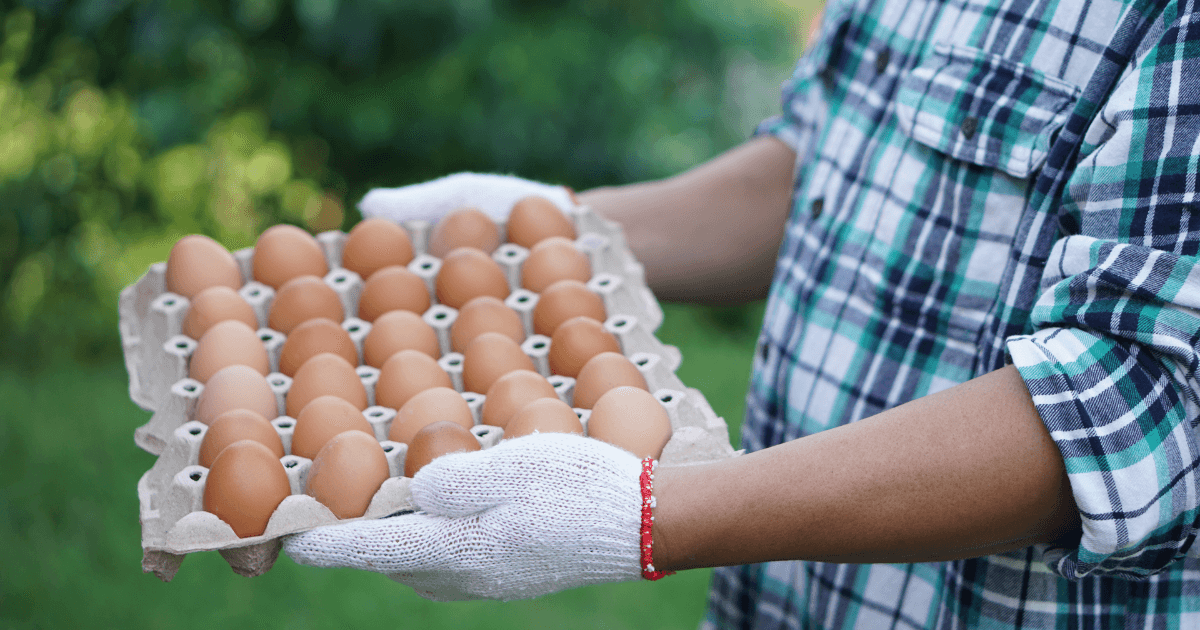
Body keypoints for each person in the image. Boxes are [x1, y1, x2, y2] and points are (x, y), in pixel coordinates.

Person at [284, 0, 1200, 626]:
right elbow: (831, 170)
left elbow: (1145, 400)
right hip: (787, 599)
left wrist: (653, 515)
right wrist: (562, 234)